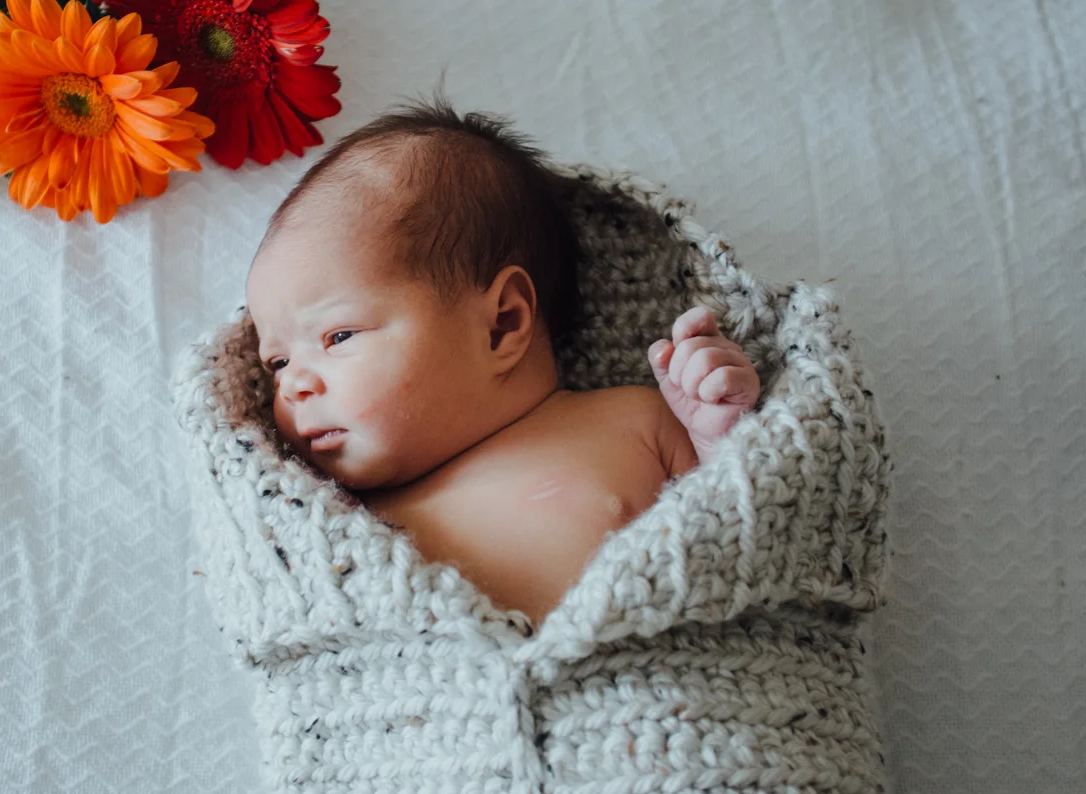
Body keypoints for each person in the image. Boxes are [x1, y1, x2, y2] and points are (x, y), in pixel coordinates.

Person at [244, 96, 761, 627]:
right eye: (278, 361)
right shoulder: (338, 517)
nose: (293, 386)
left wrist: (718, 431)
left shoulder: (634, 422)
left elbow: (747, 518)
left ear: (502, 325)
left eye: (338, 336)